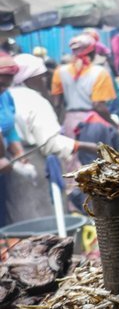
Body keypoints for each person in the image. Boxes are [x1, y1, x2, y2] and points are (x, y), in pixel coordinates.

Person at [7, 54, 99, 222]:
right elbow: (49, 144)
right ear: (29, 78)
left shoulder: (7, 97)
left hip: (12, 167)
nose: (44, 82)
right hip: (35, 167)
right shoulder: (33, 100)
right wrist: (87, 146)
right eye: (40, 78)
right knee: (42, 219)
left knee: (19, 219)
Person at [51, 35, 117, 139]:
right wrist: (113, 124)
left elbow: (57, 104)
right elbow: (98, 106)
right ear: (93, 52)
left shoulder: (60, 71)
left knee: (74, 154)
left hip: (70, 121)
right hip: (93, 122)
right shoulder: (100, 72)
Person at [0, 53, 25, 224]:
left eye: (7, 85)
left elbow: (9, 129)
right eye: (1, 84)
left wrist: (19, 153)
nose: (3, 89)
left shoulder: (6, 96)